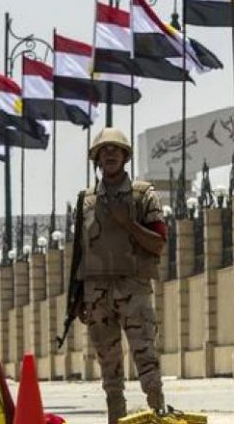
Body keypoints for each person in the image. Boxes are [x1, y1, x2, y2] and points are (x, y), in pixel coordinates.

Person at [74, 128, 169, 423]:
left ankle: (159, 414)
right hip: (97, 294)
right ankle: (116, 418)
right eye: (104, 150)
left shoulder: (144, 195)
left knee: (147, 361)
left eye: (116, 149)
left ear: (126, 156)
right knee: (109, 367)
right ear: (97, 159)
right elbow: (79, 254)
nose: (110, 154)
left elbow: (158, 242)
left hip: (134, 289)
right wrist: (77, 298)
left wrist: (128, 223)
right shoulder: (86, 201)